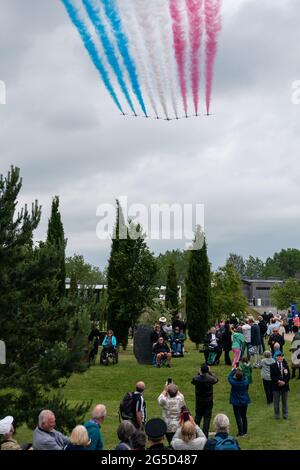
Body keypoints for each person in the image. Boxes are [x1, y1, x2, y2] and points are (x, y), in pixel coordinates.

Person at [191, 364, 218, 438]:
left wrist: (199, 373)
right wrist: (210, 372)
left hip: (199, 400)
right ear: (207, 370)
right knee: (207, 418)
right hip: (208, 400)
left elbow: (193, 381)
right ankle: (205, 435)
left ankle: (195, 434)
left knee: (198, 416)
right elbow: (216, 379)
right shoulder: (210, 379)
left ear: (201, 370)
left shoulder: (196, 379)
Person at [228, 368, 250, 437]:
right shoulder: (245, 381)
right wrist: (242, 371)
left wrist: (234, 371)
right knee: (244, 416)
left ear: (236, 376)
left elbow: (229, 377)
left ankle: (240, 432)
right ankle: (245, 431)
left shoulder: (234, 383)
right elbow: (246, 376)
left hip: (236, 401)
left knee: (238, 417)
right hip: (244, 401)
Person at [270, 352, 290, 420]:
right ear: (276, 357)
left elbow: (288, 376)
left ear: (283, 357)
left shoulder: (285, 365)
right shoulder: (273, 366)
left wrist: (284, 382)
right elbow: (272, 376)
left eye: (281, 357)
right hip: (276, 386)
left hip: (285, 386)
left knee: (285, 401)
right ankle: (277, 415)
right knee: (276, 402)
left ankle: (285, 414)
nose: (280, 358)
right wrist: (278, 381)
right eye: (278, 357)